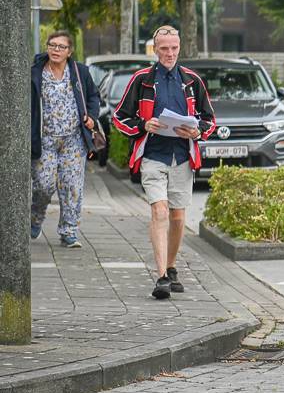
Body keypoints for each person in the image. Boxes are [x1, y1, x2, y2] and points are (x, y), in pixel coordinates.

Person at [111, 25, 218, 300]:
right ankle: (160, 277)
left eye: (173, 48)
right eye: (164, 49)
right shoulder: (142, 79)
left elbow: (209, 120)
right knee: (159, 211)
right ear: (155, 50)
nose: (169, 53)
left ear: (179, 48)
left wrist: (196, 131)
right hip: (152, 155)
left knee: (178, 217)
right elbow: (120, 118)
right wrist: (144, 125)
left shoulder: (192, 80)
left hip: (183, 156)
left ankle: (171, 267)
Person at [30, 30, 102, 248]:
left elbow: (93, 97)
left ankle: (68, 231)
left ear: (69, 51)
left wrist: (91, 117)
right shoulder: (35, 73)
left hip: (73, 139)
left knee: (72, 187)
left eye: (61, 47)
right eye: (52, 45)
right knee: (44, 184)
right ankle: (35, 217)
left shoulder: (80, 72)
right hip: (44, 139)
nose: (56, 50)